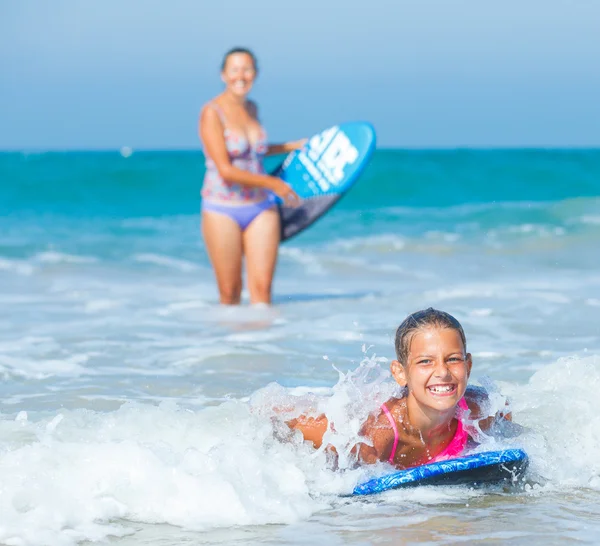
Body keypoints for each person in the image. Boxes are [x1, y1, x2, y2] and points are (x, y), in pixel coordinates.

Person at [286, 308, 511, 468]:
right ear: (400, 372)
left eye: (453, 359)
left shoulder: (482, 411)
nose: (442, 372)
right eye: (425, 361)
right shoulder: (375, 435)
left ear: (468, 365)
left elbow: (506, 414)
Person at [199, 47, 306, 305]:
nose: (241, 76)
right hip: (222, 208)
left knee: (262, 294)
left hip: (260, 207)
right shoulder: (212, 112)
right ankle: (230, 345)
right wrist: (273, 183)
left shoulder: (252, 108)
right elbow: (226, 168)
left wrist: (289, 146)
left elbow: (253, 152)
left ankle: (264, 344)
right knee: (230, 293)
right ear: (223, 74)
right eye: (234, 70)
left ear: (255, 74)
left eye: (247, 70)